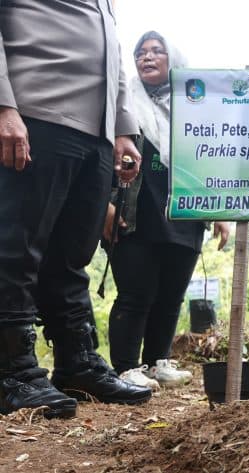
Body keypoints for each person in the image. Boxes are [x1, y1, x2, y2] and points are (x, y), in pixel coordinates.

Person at [0, 1, 153, 419]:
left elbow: (112, 51)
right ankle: (11, 372)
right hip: (35, 114)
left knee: (71, 258)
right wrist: (3, 106)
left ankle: (77, 362)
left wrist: (123, 127)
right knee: (16, 250)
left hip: (96, 133)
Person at [103, 31, 230, 390]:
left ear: (173, 59)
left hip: (184, 213)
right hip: (134, 210)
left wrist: (218, 210)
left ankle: (159, 361)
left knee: (172, 293)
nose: (147, 57)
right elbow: (100, 156)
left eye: (157, 51)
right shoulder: (120, 101)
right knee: (135, 291)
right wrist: (104, 208)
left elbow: (209, 159)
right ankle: (127, 368)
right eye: (140, 52)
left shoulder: (195, 107)